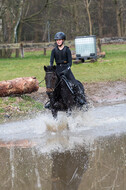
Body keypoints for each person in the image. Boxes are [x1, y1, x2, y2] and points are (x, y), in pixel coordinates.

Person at [45, 32, 85, 108]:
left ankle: (79, 98)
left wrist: (66, 70)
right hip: (57, 69)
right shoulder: (53, 50)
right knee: (52, 84)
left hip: (66, 69)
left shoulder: (67, 50)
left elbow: (70, 63)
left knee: (74, 83)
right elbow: (51, 61)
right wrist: (51, 68)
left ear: (63, 40)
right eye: (57, 40)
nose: (58, 41)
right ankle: (51, 102)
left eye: (59, 40)